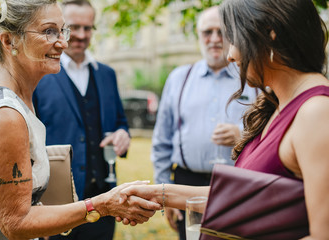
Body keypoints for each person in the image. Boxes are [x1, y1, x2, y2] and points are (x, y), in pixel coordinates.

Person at [118, 0, 329, 238]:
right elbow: (243, 200)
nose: (230, 55)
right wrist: (158, 194)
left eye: (234, 38)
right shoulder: (281, 104)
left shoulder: (317, 113)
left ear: (270, 35)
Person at [0, 0, 161, 239]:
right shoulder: (5, 116)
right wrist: (103, 205)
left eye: (62, 30)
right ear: (9, 41)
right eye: (49, 31)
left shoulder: (11, 93)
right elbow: (16, 223)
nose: (63, 42)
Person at [151, 6, 257, 239]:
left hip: (238, 183)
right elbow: (161, 142)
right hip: (187, 183)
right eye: (207, 32)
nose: (215, 39)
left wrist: (242, 134)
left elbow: (271, 132)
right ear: (198, 36)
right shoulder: (179, 78)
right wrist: (164, 194)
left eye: (222, 32)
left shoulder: (253, 78)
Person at [32, 1, 130, 239]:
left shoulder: (107, 74)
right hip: (56, 205)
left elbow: (120, 122)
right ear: (61, 29)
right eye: (74, 27)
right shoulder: (39, 73)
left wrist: (123, 134)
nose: (81, 35)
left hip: (105, 200)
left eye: (88, 28)